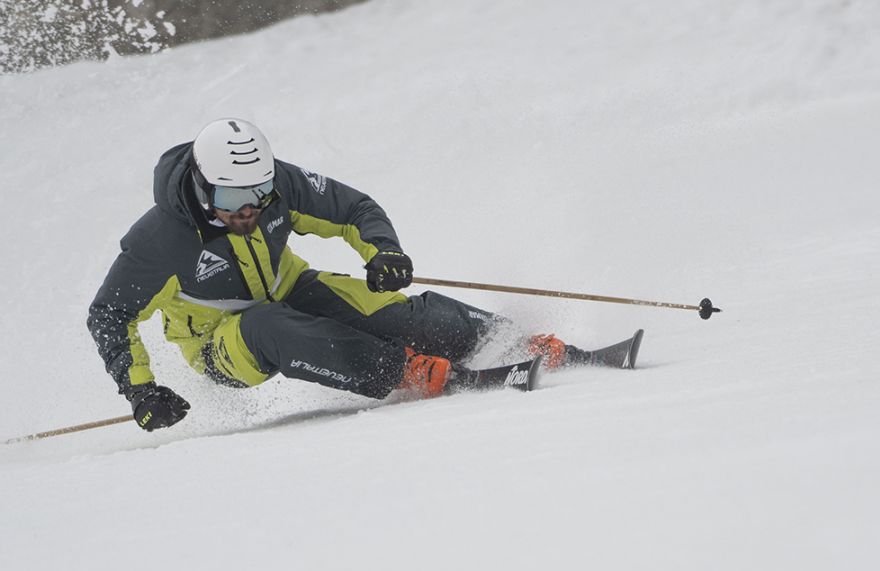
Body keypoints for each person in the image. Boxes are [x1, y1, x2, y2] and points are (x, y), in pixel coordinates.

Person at [88, 118, 571, 431]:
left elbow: (353, 208)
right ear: (202, 185)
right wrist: (140, 389)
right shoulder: (159, 241)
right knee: (267, 325)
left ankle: (507, 340)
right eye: (234, 199)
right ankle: (407, 370)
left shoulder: (277, 185)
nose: (250, 209)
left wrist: (384, 251)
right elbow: (109, 313)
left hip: (290, 287)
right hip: (222, 343)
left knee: (386, 311)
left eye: (259, 192)